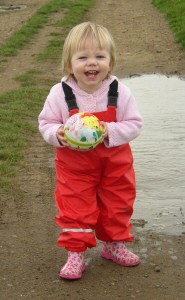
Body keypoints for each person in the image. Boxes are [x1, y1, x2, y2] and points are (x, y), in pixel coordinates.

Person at [38, 21, 143, 280]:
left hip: (115, 163)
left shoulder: (120, 91)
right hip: (75, 166)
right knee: (75, 207)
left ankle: (114, 244)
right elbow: (46, 123)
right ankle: (76, 253)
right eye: (82, 57)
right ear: (69, 64)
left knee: (117, 203)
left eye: (99, 56)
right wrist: (57, 133)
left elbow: (135, 124)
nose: (91, 63)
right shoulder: (60, 93)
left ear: (111, 61)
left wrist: (110, 131)